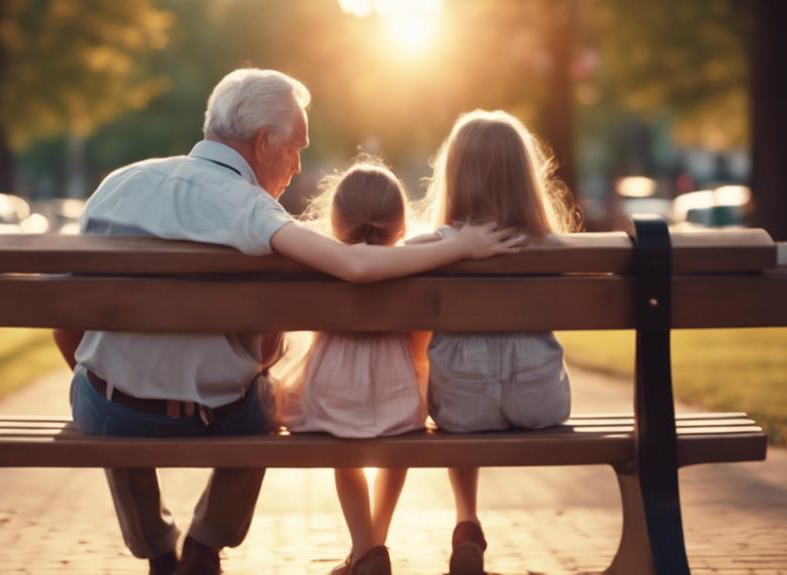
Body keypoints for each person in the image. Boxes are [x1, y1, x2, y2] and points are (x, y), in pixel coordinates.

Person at [53, 70, 524, 575]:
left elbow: (69, 319)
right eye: (296, 149)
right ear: (262, 142)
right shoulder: (251, 208)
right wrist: (461, 245)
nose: (298, 167)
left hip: (112, 412)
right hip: (214, 416)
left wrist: (102, 378)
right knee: (269, 400)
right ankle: (207, 543)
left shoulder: (117, 185)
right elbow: (356, 265)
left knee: (104, 389)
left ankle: (156, 549)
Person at [413, 109, 579, 575]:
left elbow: (386, 261)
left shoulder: (438, 245)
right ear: (526, 178)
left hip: (462, 409)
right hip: (541, 401)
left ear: (454, 175)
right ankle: (468, 524)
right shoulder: (552, 248)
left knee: (449, 380)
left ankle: (466, 520)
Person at [280, 161, 430, 575]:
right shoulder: (412, 267)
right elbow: (420, 348)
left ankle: (365, 552)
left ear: (335, 220)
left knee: (344, 452)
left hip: (332, 394)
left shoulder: (323, 263)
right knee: (400, 441)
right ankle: (372, 546)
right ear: (399, 225)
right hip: (398, 396)